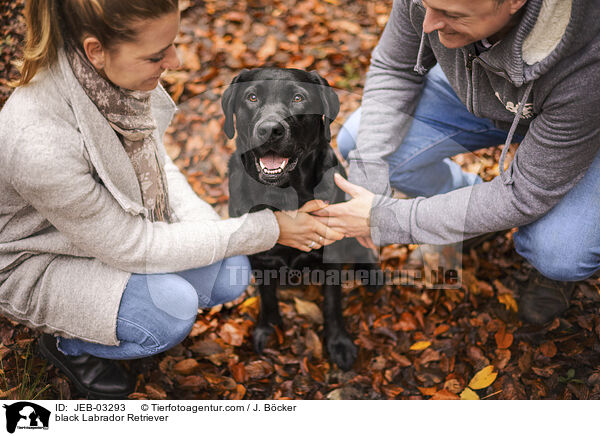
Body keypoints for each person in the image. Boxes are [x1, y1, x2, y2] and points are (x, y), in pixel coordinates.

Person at [0, 0, 341, 399]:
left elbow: (160, 167)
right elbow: (134, 246)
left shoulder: (112, 76)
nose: (175, 62)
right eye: (158, 55)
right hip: (41, 260)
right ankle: (68, 344)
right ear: (96, 50)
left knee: (229, 268)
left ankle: (131, 305)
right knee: (170, 313)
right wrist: (271, 227)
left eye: (172, 45)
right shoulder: (38, 142)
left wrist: (212, 233)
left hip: (101, 234)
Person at [315, 0, 600, 325]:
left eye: (451, 15)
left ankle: (551, 273)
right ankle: (467, 212)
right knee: (361, 142)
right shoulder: (433, 5)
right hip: (481, 89)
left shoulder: (588, 61)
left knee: (560, 252)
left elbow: (524, 195)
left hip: (583, 120)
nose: (428, 23)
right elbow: (395, 67)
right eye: (427, 6)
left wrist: (388, 219)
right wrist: (368, 173)